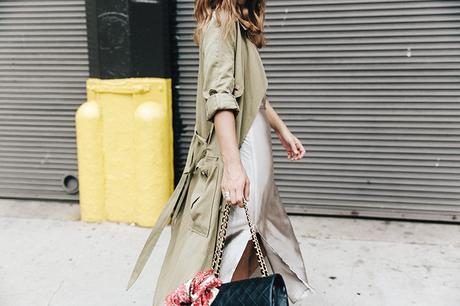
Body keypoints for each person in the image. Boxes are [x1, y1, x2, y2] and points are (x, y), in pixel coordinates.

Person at [126, 0, 316, 304]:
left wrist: (282, 131)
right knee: (238, 237)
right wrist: (233, 165)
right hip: (241, 151)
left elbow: (257, 98)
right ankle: (233, 299)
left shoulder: (238, 26)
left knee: (251, 241)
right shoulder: (221, 23)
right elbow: (220, 98)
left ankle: (244, 298)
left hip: (253, 151)